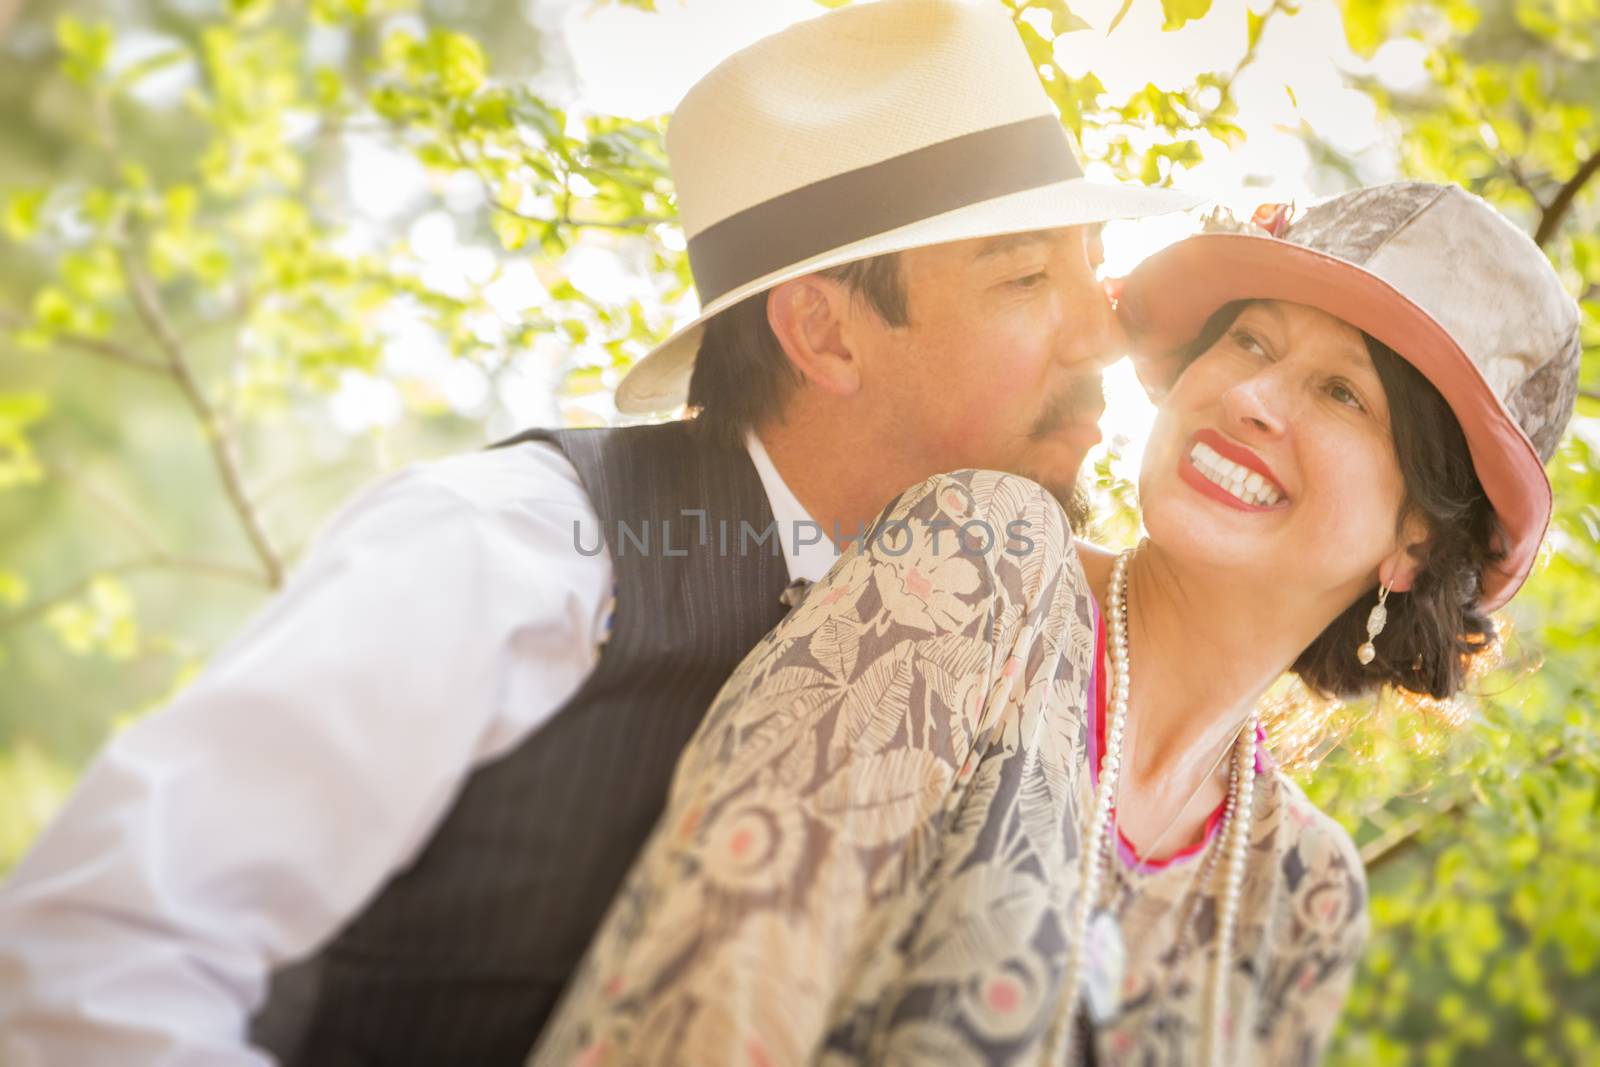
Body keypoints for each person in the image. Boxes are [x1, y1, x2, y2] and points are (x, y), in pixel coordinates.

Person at [0, 3, 1200, 1065]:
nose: (1102, 333)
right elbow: (92, 958)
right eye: (1023, 277)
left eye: (1091, 268)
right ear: (824, 335)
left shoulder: (1047, 667)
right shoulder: (508, 547)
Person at [523, 182, 1580, 1066]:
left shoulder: (1305, 891)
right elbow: (714, 980)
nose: (1253, 394)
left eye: (1344, 394)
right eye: (1249, 337)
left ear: (1414, 544)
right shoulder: (987, 560)